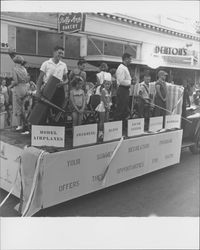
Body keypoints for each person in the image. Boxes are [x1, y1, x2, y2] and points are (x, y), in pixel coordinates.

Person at [8, 55, 29, 131]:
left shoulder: (14, 69)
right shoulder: (24, 69)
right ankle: (25, 124)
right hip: (25, 88)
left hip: (18, 89)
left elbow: (16, 81)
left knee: (18, 108)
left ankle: (20, 125)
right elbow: (27, 80)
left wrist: (10, 86)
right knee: (23, 108)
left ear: (15, 61)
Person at [115, 53, 132, 127]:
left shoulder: (125, 67)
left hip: (125, 90)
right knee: (121, 109)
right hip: (122, 90)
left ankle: (123, 127)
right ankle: (117, 127)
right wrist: (130, 82)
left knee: (125, 109)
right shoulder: (121, 68)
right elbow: (121, 81)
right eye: (130, 59)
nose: (131, 61)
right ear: (126, 59)